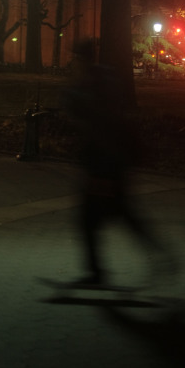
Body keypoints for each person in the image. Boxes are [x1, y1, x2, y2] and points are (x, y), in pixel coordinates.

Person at [65, 39, 173, 287]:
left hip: (103, 162)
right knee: (123, 214)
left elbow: (91, 119)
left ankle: (97, 272)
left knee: (91, 218)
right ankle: (159, 254)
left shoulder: (88, 87)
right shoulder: (105, 79)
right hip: (114, 160)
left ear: (81, 59)